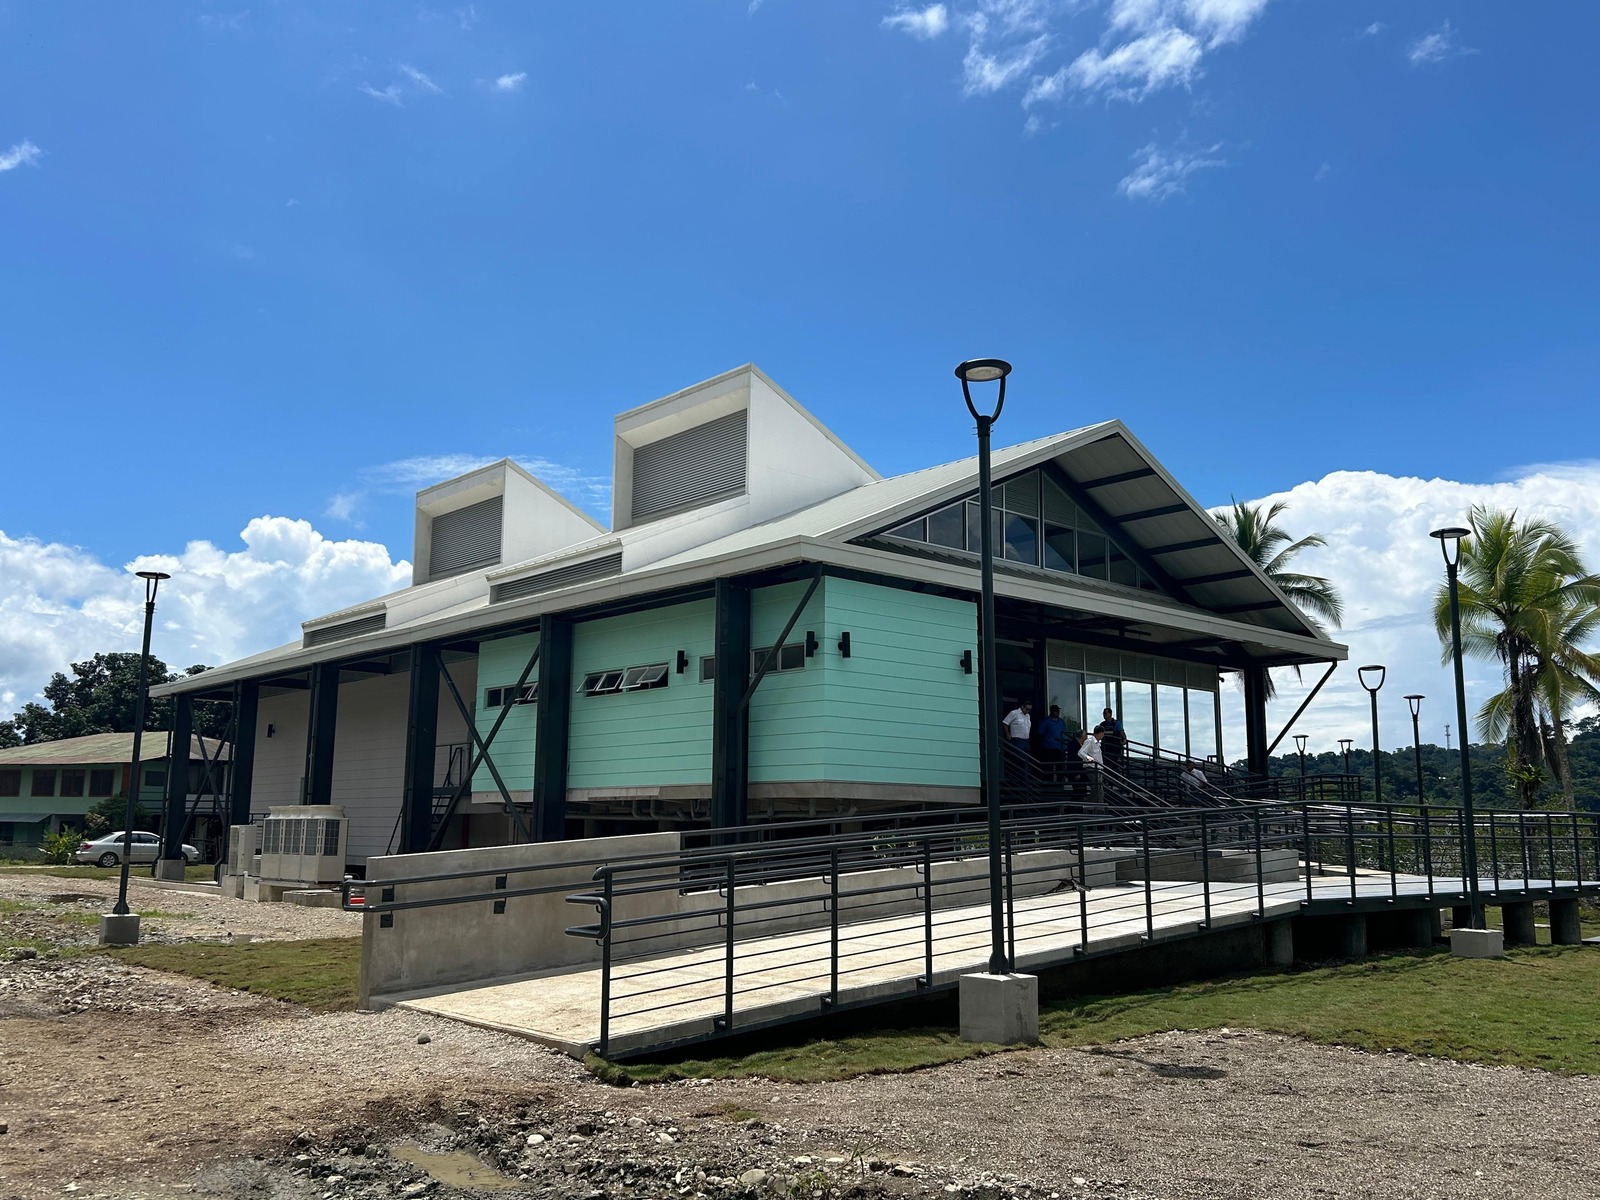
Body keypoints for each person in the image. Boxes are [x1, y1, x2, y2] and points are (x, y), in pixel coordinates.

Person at [1037, 704, 1067, 781]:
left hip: (1060, 748)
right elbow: (1039, 733)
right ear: (1052, 711)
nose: (1057, 712)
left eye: (1058, 711)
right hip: (1048, 749)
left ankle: (1060, 786)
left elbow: (1065, 734)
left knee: (1060, 769)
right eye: (1056, 711)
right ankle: (1048, 787)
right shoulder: (1045, 721)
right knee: (1048, 769)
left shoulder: (1061, 722)